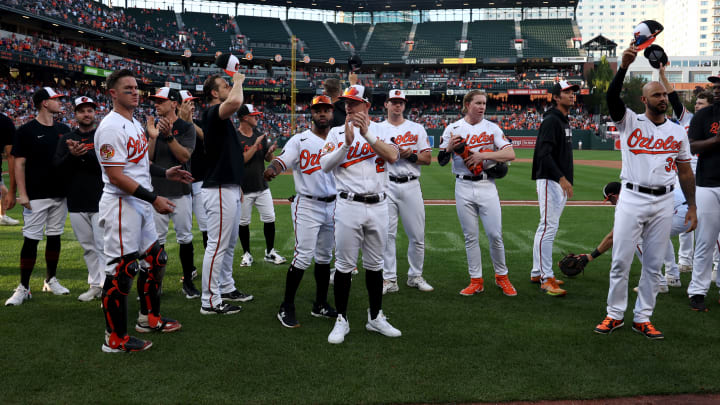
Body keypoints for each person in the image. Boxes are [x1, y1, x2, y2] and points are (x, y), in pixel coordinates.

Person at [594, 45, 696, 340]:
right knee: (621, 261)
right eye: (657, 95)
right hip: (632, 197)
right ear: (644, 100)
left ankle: (643, 317)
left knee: (653, 265)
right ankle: (614, 314)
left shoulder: (677, 132)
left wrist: (691, 206)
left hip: (665, 199)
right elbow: (612, 97)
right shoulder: (629, 121)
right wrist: (623, 66)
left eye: (665, 95)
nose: (663, 99)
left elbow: (686, 172)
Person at [95, 69, 189, 352]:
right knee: (123, 269)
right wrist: (154, 198)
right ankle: (114, 338)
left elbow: (137, 164)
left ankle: (148, 318)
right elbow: (116, 176)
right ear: (113, 93)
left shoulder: (135, 123)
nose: (135, 92)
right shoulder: (110, 127)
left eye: (136, 88)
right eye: (128, 89)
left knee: (156, 259)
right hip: (122, 204)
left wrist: (165, 173)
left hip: (140, 202)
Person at [319, 84, 401, 344]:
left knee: (375, 266)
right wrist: (346, 144)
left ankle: (375, 316)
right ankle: (341, 319)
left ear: (366, 105)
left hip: (379, 205)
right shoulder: (335, 133)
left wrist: (367, 135)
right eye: (346, 103)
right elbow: (324, 166)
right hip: (348, 204)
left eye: (354, 103)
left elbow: (392, 156)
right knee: (343, 266)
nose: (348, 107)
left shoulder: (382, 130)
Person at [264, 95, 338, 328]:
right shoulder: (300, 139)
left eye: (326, 109)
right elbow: (283, 160)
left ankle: (320, 304)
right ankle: (286, 306)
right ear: (312, 113)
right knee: (303, 255)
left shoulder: (339, 139)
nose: (323, 113)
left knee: (325, 257)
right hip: (308, 204)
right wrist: (273, 168)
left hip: (334, 204)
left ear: (332, 113)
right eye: (318, 110)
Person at [437, 89, 518, 298]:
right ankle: (476, 280)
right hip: (462, 185)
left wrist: (483, 155)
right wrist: (448, 148)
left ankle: (502, 277)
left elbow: (510, 153)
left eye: (484, 103)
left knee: (494, 235)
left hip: (486, 184)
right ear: (467, 105)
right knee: (470, 236)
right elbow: (441, 160)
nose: (482, 107)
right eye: (478, 103)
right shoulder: (453, 128)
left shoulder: (492, 128)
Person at [5, 87, 71, 306]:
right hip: (35, 195)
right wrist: (21, 193)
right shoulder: (26, 130)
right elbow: (19, 163)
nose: (60, 103)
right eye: (56, 99)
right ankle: (24, 286)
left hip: (59, 194)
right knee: (31, 239)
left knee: (54, 236)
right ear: (44, 103)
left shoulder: (64, 128)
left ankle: (50, 279)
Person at [200, 71, 253, 315]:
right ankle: (209, 301)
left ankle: (226, 286)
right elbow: (234, 102)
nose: (229, 87)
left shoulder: (220, 117)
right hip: (219, 187)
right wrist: (239, 80)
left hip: (229, 186)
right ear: (214, 92)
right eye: (224, 85)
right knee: (218, 244)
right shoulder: (213, 112)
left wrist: (237, 184)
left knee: (229, 243)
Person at [583, 182, 693, 294]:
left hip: (682, 212)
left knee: (638, 235)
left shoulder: (629, 201)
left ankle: (657, 283)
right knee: (658, 232)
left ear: (614, 196)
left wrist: (591, 257)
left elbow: (613, 236)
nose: (612, 204)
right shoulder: (636, 190)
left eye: (610, 200)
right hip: (690, 208)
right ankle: (672, 276)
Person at [659, 67, 711, 283]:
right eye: (697, 103)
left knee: (706, 225)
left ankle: (709, 266)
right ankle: (685, 261)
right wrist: (662, 74)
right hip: (685, 177)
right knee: (684, 218)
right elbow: (673, 96)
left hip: (707, 179)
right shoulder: (687, 118)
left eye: (701, 103)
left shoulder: (714, 123)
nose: (697, 105)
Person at [379, 89, 433, 295]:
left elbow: (427, 159)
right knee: (387, 234)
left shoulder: (416, 128)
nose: (397, 105)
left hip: (411, 185)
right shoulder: (377, 129)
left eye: (400, 102)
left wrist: (410, 156)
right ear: (386, 104)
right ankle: (389, 278)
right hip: (386, 185)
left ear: (404, 104)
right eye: (393, 101)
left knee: (417, 234)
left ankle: (415, 276)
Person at [146, 87, 199, 299]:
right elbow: (147, 159)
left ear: (174, 103)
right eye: (155, 101)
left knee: (185, 238)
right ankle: (154, 284)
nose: (156, 104)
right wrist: (152, 136)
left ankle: (188, 281)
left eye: (161, 101)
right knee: (156, 240)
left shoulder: (187, 127)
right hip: (157, 191)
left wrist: (168, 137)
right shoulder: (151, 127)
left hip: (180, 191)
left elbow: (184, 156)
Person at [52, 96, 106, 302]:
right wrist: (72, 155)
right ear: (75, 114)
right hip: (75, 200)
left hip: (100, 198)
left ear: (95, 113)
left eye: (90, 110)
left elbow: (105, 165)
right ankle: (95, 285)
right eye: (82, 110)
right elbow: (58, 167)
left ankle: (107, 286)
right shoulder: (66, 138)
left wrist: (82, 154)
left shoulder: (101, 135)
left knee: (103, 245)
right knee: (88, 247)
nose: (86, 114)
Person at [530, 80, 579, 297]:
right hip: (551, 180)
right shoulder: (551, 120)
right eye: (567, 92)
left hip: (557, 181)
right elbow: (543, 153)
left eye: (573, 92)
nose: (572, 95)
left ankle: (536, 271)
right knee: (548, 227)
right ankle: (546, 278)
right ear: (556, 97)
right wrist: (561, 178)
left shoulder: (563, 120)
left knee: (548, 226)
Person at [686, 73, 720, 312]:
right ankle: (697, 291)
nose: (716, 88)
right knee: (705, 241)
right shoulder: (704, 115)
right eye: (715, 84)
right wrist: (716, 140)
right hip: (708, 183)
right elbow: (692, 145)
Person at [236, 104, 286, 267]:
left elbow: (267, 159)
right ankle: (246, 254)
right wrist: (255, 144)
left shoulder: (259, 135)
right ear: (244, 117)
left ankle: (270, 252)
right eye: (254, 115)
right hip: (243, 188)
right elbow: (241, 160)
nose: (257, 117)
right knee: (243, 222)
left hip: (261, 185)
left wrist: (270, 151)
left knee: (270, 218)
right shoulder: (235, 136)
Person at [179, 90, 209, 253]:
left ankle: (209, 266)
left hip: (199, 182)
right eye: (187, 103)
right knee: (183, 231)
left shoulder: (199, 123)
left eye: (192, 103)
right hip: (177, 185)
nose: (191, 106)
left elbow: (206, 137)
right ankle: (189, 268)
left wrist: (190, 122)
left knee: (206, 226)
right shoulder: (171, 125)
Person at [0, 111, 19, 226]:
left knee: (4, 192)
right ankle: (2, 216)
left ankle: (2, 216)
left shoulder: (5, 122)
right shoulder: (5, 121)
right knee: (4, 192)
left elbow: (11, 153)